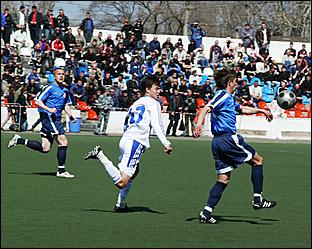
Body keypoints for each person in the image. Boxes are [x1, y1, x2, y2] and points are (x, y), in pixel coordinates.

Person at [193, 68, 276, 224]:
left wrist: (261, 110)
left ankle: (206, 212)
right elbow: (206, 108)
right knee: (258, 160)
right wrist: (199, 125)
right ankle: (257, 199)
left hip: (217, 142)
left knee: (223, 179)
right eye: (236, 81)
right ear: (230, 82)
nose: (237, 83)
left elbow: (242, 109)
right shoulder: (222, 95)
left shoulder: (228, 98)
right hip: (228, 139)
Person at [84, 75, 173, 212]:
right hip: (136, 142)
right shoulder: (153, 103)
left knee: (134, 171)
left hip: (126, 139)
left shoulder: (137, 103)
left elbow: (126, 122)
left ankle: (121, 204)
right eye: (156, 88)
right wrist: (166, 143)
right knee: (121, 182)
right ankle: (100, 155)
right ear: (148, 89)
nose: (159, 91)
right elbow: (156, 124)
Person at [7, 59, 77, 178]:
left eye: (62, 74)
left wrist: (70, 115)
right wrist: (48, 109)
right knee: (63, 142)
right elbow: (37, 101)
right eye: (58, 74)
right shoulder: (50, 88)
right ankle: (61, 171)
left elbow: (66, 105)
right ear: (54, 76)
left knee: (45, 148)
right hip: (49, 118)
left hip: (55, 119)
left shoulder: (65, 90)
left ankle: (19, 140)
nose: (61, 76)